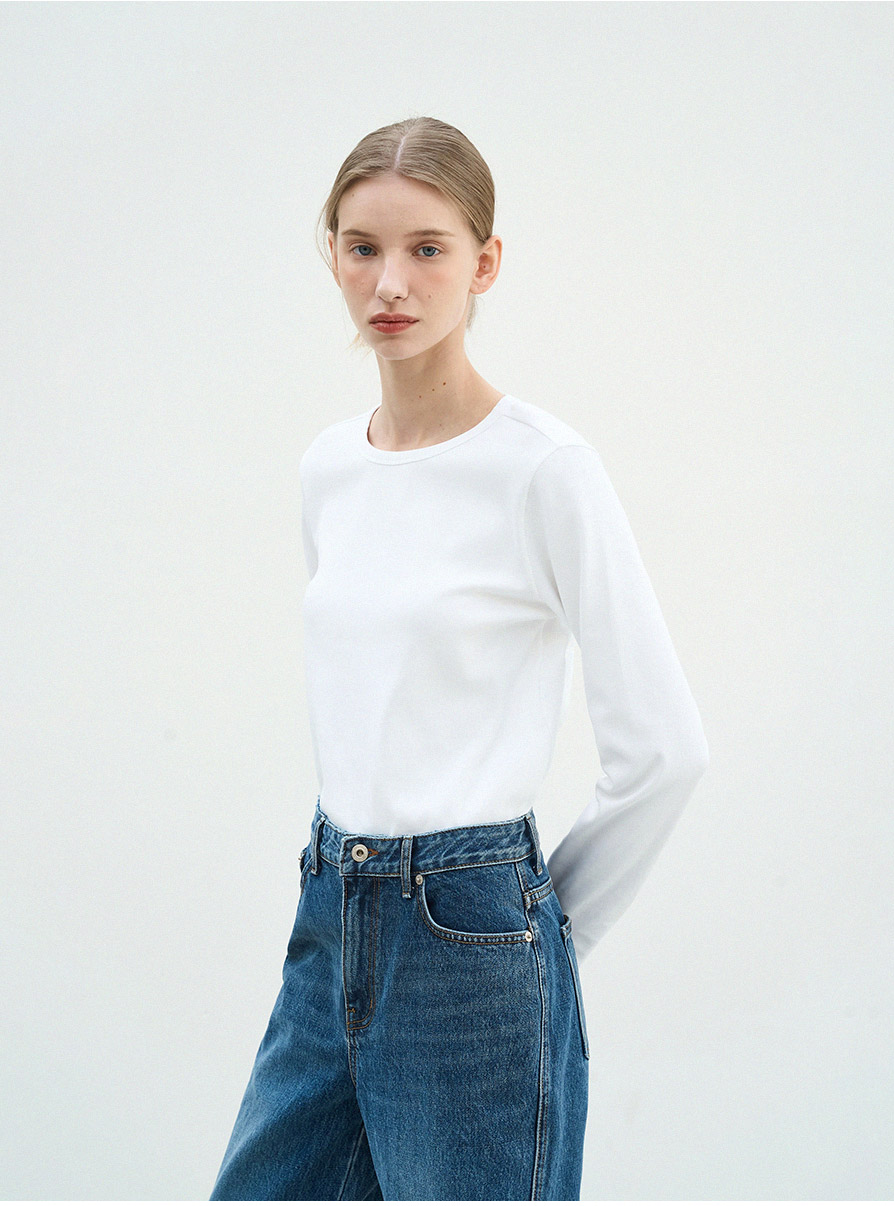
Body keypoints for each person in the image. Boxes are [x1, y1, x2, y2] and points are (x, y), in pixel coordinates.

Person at [209, 115, 709, 1202]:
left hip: (471, 935)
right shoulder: (330, 468)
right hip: (329, 915)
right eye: (362, 247)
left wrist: (538, 930)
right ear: (332, 256)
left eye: (427, 248)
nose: (390, 282)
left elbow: (666, 751)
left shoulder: (544, 470)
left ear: (485, 263)